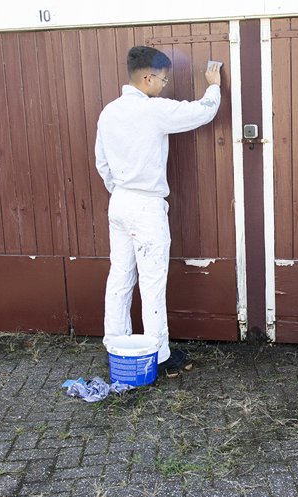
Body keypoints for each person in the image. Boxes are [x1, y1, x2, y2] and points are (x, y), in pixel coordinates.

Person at [95, 46, 221, 374]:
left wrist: (120, 189)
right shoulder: (152, 111)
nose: (165, 85)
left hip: (119, 201)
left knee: (120, 275)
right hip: (146, 206)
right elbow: (203, 111)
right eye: (163, 79)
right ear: (148, 77)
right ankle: (159, 355)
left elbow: (101, 162)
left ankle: (115, 344)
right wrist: (214, 84)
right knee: (151, 281)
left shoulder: (108, 113)